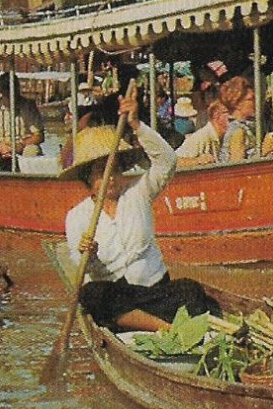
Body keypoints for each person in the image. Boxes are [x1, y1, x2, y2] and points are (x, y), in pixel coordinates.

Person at [63, 93, 218, 332]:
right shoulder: (77, 216)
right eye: (100, 172)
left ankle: (161, 322)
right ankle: (163, 328)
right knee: (92, 294)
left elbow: (167, 162)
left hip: (154, 292)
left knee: (190, 290)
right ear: (87, 178)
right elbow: (80, 264)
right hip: (118, 299)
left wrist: (137, 125)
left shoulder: (139, 192)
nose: (110, 178)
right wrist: (90, 255)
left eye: (114, 169)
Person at [0, 72, 43, 172]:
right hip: (1, 147)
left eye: (12, 91)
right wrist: (0, 146)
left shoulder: (28, 106)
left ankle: (28, 182)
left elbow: (39, 135)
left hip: (23, 146)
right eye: (7, 92)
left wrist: (20, 146)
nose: (10, 95)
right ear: (1, 92)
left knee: (32, 151)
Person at [218, 77, 273, 163]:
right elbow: (237, 168)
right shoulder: (238, 132)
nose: (255, 103)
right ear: (237, 103)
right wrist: (264, 151)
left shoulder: (246, 127)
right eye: (250, 100)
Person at [176, 99, 230, 167]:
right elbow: (174, 162)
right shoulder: (201, 137)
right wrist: (197, 161)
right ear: (216, 115)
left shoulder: (223, 137)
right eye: (229, 112)